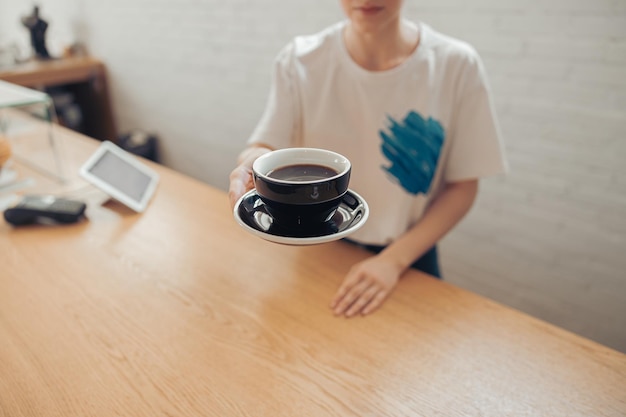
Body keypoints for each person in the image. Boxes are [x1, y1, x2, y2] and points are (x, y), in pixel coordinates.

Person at [229, 0, 507, 318]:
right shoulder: (299, 60)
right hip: (318, 249)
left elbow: (463, 186)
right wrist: (251, 161)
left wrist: (392, 261)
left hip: (409, 255)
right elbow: (266, 145)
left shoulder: (456, 65)